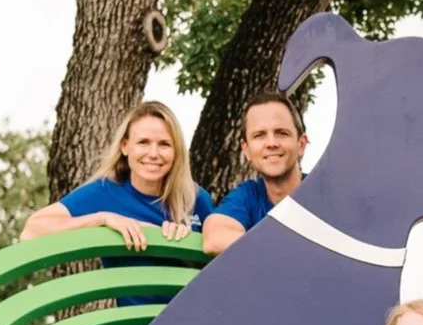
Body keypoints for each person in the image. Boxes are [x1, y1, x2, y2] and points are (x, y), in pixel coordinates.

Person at [21, 100, 214, 306]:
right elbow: (31, 232)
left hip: (197, 321)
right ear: (125, 146)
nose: (153, 153)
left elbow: (223, 267)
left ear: (176, 152)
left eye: (164, 144)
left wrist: (183, 244)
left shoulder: (195, 198)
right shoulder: (104, 193)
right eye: (143, 142)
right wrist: (102, 219)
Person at [201, 92, 309, 255]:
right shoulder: (248, 196)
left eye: (281, 133)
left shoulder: (324, 194)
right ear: (246, 150)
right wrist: (292, 250)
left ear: (301, 144)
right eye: (259, 135)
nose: (271, 143)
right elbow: (214, 239)